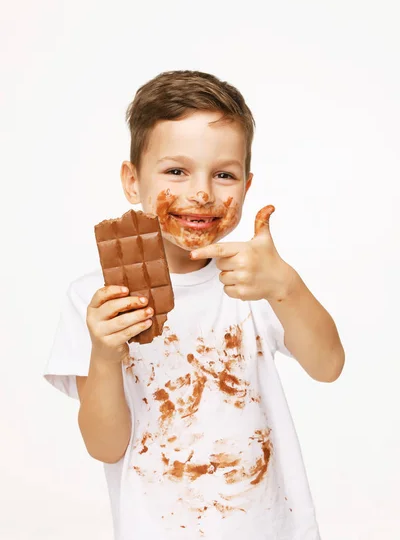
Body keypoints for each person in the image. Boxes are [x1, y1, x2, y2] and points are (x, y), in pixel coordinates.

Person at [43, 70, 345, 540]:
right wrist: (104, 355)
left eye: (224, 174)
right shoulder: (95, 301)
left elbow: (328, 366)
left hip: (266, 526)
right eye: (176, 171)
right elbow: (105, 446)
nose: (202, 192)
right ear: (132, 181)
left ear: (246, 186)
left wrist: (286, 286)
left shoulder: (253, 280)